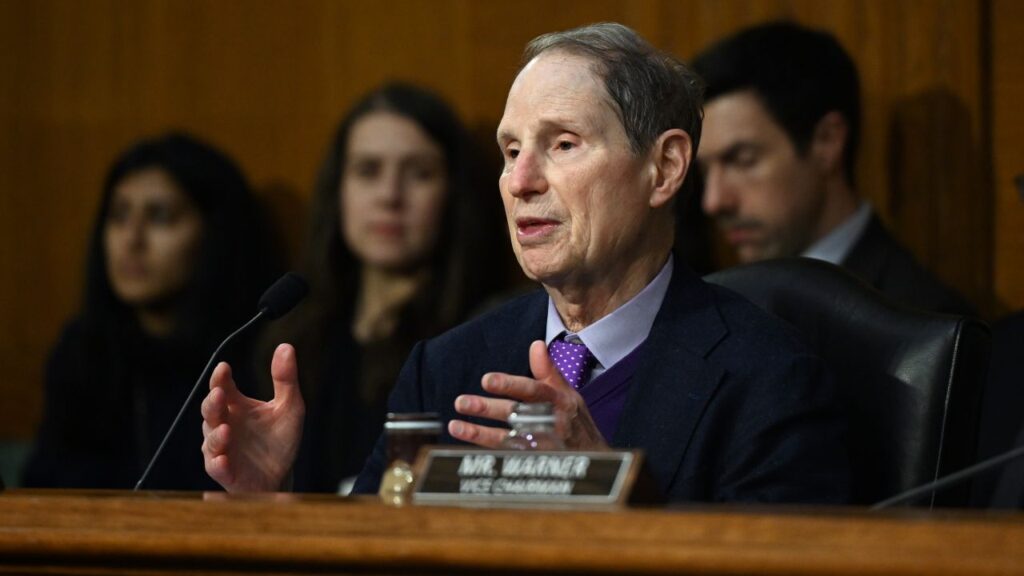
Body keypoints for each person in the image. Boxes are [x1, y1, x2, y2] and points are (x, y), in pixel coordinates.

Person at [201, 23, 851, 504]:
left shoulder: (769, 379)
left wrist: (608, 495)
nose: (520, 181)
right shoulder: (447, 366)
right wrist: (271, 506)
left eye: (562, 144)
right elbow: (377, 553)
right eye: (511, 151)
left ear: (666, 167)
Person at [269, 83, 507, 493]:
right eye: (368, 170)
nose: (390, 195)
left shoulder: (481, 343)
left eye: (419, 173)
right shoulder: (292, 339)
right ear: (337, 189)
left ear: (453, 193)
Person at [22, 132, 279, 489]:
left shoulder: (259, 353)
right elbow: (45, 487)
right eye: (118, 215)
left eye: (160, 217)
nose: (131, 239)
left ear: (215, 234)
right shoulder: (84, 350)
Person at [692, 22, 974, 315]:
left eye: (742, 160)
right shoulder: (724, 302)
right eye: (704, 171)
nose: (713, 201)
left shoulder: (927, 323)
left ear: (827, 142)